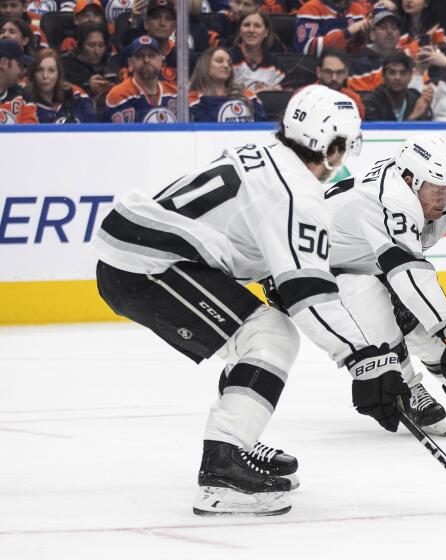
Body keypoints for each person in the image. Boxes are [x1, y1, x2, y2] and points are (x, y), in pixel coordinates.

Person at [92, 85, 409, 516]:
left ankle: (237, 442)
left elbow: (245, 234)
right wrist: (366, 356)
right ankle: (223, 466)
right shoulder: (296, 192)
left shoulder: (261, 155)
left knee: (255, 337)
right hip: (145, 264)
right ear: (333, 146)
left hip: (139, 248)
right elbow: (308, 292)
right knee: (271, 335)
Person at [302, 133, 446, 434]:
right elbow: (407, 271)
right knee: (373, 306)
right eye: (436, 188)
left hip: (370, 264)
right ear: (410, 178)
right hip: (319, 271)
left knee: (426, 337)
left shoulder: (445, 192)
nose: (444, 197)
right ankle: (407, 386)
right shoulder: (389, 199)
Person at [102, 35, 177, 122]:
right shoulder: (118, 95)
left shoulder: (175, 94)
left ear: (161, 61)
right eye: (140, 56)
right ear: (130, 63)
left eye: (151, 55)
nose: (146, 60)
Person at [188, 46, 266, 122]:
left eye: (229, 63)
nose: (226, 66)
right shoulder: (193, 99)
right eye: (219, 61)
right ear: (205, 66)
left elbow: (262, 124)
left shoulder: (247, 95)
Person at [25, 48, 96, 121]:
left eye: (51, 70)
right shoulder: (25, 104)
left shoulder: (76, 96)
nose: (45, 76)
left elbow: (94, 126)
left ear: (58, 74)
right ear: (33, 74)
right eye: (39, 70)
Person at [361, 50, 431, 121]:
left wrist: (425, 112)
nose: (397, 77)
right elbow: (379, 131)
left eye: (403, 73)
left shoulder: (416, 99)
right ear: (383, 76)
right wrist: (412, 117)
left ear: (410, 76)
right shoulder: (370, 103)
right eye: (392, 73)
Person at [345, 5, 399, 92]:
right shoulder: (358, 62)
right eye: (383, 27)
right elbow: (363, 101)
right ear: (372, 34)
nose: (390, 32)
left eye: (394, 28)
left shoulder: (404, 56)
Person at [230, 11, 284, 92]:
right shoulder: (228, 58)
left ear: (266, 32)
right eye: (246, 25)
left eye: (257, 26)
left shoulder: (274, 63)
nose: (251, 30)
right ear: (239, 31)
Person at [292, 0, 370, 56]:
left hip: (351, 68)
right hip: (319, 70)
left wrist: (362, 38)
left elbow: (358, 52)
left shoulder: (358, 9)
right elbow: (305, 48)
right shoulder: (311, 8)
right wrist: (347, 32)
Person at [60, 23, 115, 97]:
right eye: (91, 45)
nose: (97, 51)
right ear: (79, 45)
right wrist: (87, 87)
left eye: (101, 45)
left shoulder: (110, 62)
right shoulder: (65, 65)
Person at [314, 48, 364, 118]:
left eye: (339, 73)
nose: (334, 78)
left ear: (346, 73)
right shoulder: (303, 96)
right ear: (319, 72)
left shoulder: (354, 100)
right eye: (328, 72)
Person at [0, 38, 37, 123]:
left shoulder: (24, 98)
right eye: (20, 65)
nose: (22, 71)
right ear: (4, 63)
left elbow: (30, 134)